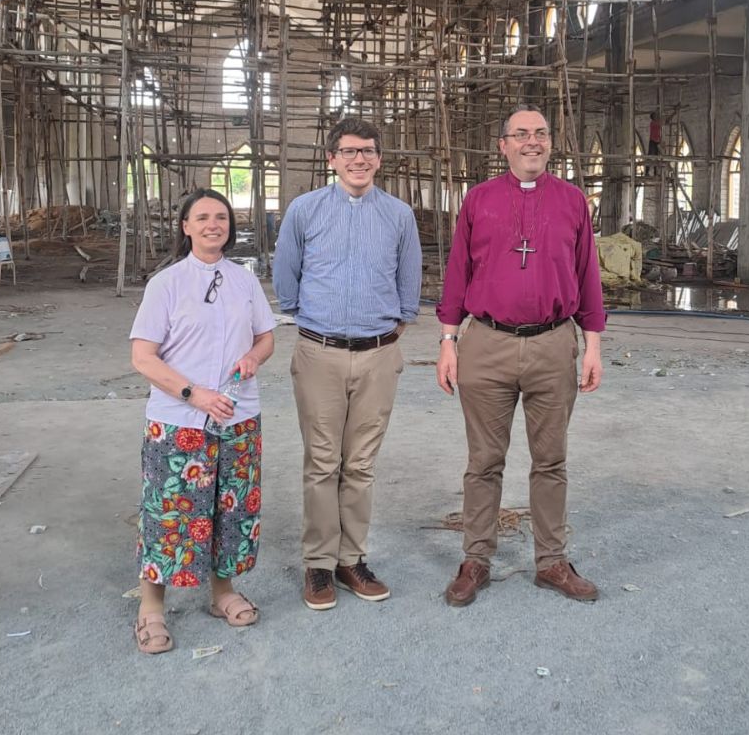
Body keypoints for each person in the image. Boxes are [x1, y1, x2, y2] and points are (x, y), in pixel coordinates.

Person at [436, 104, 605, 606]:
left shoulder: (573, 201)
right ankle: (476, 559)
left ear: (550, 143)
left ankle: (551, 561)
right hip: (486, 342)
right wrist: (448, 341)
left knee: (551, 459)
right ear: (503, 145)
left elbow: (588, 274)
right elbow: (457, 272)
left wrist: (592, 343)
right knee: (484, 460)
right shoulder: (480, 200)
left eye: (541, 134)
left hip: (554, 343)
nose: (533, 142)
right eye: (521, 134)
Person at [273, 117, 421, 611]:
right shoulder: (305, 210)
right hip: (320, 353)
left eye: (369, 151)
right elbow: (286, 274)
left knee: (360, 464)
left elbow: (409, 277)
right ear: (331, 158)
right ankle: (317, 564)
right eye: (349, 151)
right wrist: (313, 320)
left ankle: (350, 559)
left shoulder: (399, 214)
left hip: (379, 355)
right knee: (322, 461)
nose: (360, 159)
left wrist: (395, 324)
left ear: (380, 158)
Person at [129, 188, 276, 654]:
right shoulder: (167, 284)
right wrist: (195, 394)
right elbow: (143, 357)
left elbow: (266, 336)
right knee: (170, 513)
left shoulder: (244, 280)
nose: (214, 224)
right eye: (203, 217)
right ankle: (151, 607)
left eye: (221, 217)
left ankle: (223, 592)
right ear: (185, 226)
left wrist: (253, 357)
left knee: (230, 509)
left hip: (237, 416)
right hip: (179, 420)